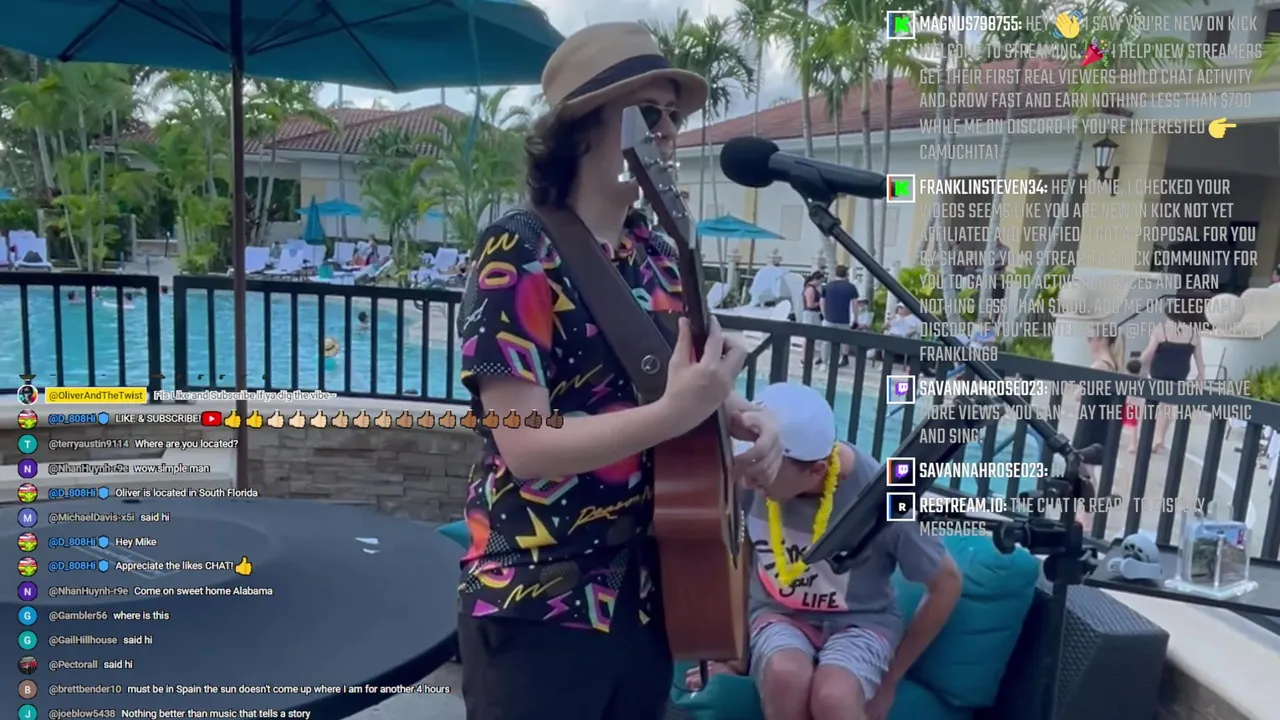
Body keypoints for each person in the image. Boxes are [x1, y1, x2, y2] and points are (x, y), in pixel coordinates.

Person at [454, 22, 785, 720]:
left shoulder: (656, 253)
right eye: (648, 113)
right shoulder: (517, 250)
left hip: (648, 592)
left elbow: (684, 382)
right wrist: (673, 414)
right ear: (582, 128)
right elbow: (524, 442)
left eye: (673, 117)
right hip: (540, 599)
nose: (667, 131)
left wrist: (746, 416)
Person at [686, 384, 962, 720]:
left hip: (862, 622)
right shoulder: (748, 474)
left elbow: (946, 583)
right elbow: (738, 554)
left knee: (834, 697)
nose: (747, 484)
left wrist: (891, 679)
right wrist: (734, 656)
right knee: (785, 677)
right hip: (778, 614)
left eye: (762, 476)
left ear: (817, 470)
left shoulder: (886, 492)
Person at [1139, 302, 1206, 453]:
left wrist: (1137, 364)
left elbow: (1149, 352)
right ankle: (1159, 437)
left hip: (1159, 371)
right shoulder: (1193, 333)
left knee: (1152, 404)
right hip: (1179, 372)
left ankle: (1150, 437)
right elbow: (1199, 359)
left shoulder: (1161, 329)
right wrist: (1201, 376)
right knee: (1168, 405)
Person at [1073, 323, 1125, 510]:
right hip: (1099, 422)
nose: (1089, 343)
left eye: (1090, 339)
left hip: (1090, 423)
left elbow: (1078, 394)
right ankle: (1089, 511)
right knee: (1087, 470)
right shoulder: (1112, 365)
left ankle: (1088, 513)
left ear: (1102, 341)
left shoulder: (1099, 366)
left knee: (1083, 468)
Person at [820, 265, 858, 367]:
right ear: (846, 274)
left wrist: (824, 315)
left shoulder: (828, 286)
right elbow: (855, 305)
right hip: (844, 319)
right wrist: (855, 319)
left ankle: (824, 362)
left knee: (826, 341)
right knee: (845, 340)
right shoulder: (851, 287)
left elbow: (822, 302)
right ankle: (843, 358)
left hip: (829, 319)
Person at [1123, 358, 1143, 453]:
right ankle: (1133, 444)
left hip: (1126, 403)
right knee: (1134, 426)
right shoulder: (1140, 379)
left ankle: (1114, 438)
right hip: (1135, 404)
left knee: (1118, 422)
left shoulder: (1125, 378)